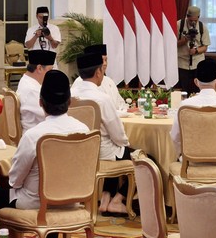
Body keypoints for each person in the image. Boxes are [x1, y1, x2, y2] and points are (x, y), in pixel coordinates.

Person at [9, 70, 89, 212]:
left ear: (40, 102)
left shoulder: (33, 136)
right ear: (70, 102)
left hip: (36, 203)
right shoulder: (84, 131)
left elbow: (14, 180)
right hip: (72, 201)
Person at [71, 52, 132, 214]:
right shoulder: (102, 99)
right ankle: (118, 199)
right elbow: (118, 135)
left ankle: (105, 199)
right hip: (102, 152)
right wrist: (127, 144)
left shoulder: (70, 96)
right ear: (98, 72)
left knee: (117, 151)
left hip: (78, 151)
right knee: (146, 159)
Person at [170, 58, 216, 158]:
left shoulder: (185, 105)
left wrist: (183, 156)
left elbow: (175, 136)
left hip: (190, 162)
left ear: (196, 82)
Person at [72, 44, 126, 111]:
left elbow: (120, 103)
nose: (105, 63)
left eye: (106, 60)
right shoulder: (80, 81)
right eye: (102, 60)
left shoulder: (109, 81)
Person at [16, 49, 56, 133]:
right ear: (39, 68)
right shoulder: (31, 90)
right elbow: (51, 115)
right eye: (50, 70)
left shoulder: (27, 81)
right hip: (36, 137)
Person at [176, 6, 210, 95]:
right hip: (182, 63)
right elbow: (172, 44)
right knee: (183, 90)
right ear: (187, 16)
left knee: (198, 90)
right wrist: (184, 40)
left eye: (195, 20)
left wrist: (196, 51)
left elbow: (205, 47)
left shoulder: (203, 28)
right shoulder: (179, 25)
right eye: (191, 20)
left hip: (197, 63)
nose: (193, 23)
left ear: (198, 17)